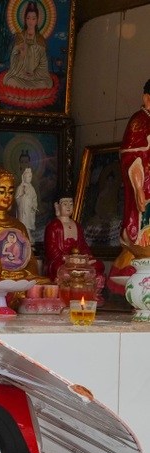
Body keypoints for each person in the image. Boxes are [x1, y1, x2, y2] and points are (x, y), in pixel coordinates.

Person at [108, 78, 150, 293]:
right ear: (146, 98)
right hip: (144, 191)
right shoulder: (139, 121)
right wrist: (138, 187)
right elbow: (131, 157)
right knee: (140, 239)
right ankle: (134, 287)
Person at [44, 196, 104, 283]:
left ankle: (88, 285)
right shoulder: (53, 226)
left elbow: (83, 246)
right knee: (58, 267)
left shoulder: (77, 225)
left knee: (98, 265)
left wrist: (86, 257)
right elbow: (52, 250)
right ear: (57, 206)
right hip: (62, 261)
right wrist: (68, 259)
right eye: (65, 204)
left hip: (79, 261)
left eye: (71, 204)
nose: (68, 207)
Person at [3, 2, 52, 91]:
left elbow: (43, 65)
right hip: (20, 75)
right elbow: (13, 60)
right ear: (25, 20)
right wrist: (21, 55)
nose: (30, 21)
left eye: (33, 19)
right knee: (9, 81)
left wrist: (34, 73)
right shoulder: (20, 36)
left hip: (36, 78)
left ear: (37, 21)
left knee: (46, 83)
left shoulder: (40, 39)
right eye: (28, 18)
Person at [15, 167, 38, 233]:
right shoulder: (20, 187)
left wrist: (33, 205)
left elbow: (34, 198)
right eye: (28, 177)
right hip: (22, 209)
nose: (29, 178)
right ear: (24, 177)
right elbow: (16, 198)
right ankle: (22, 233)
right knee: (22, 221)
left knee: (28, 222)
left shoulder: (32, 188)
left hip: (29, 209)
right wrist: (22, 195)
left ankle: (28, 233)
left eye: (30, 177)